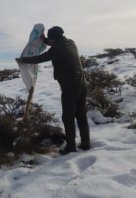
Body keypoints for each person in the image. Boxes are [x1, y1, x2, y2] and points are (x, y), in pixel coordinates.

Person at [16, 26, 90, 154]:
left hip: (70, 85)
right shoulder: (70, 42)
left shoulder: (57, 49)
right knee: (81, 115)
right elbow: (53, 43)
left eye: (51, 39)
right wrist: (44, 39)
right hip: (81, 83)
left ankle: (71, 147)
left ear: (54, 39)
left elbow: (40, 58)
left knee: (68, 117)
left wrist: (23, 60)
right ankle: (85, 144)